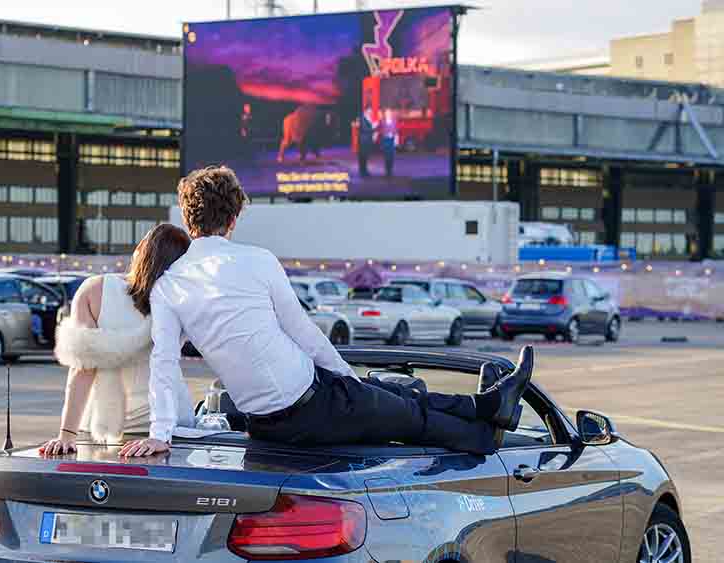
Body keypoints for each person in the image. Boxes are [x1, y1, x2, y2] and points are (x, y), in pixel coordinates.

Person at [120, 166, 533, 458]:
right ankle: (485, 436)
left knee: (398, 395)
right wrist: (349, 381)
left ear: (188, 217)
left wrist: (161, 434)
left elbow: (164, 361)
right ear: (232, 218)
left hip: (269, 420)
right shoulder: (258, 260)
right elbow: (304, 332)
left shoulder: (168, 285)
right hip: (312, 406)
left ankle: (488, 405)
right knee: (410, 415)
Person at [40, 224, 195, 456]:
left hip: (107, 428)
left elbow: (83, 370)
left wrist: (66, 435)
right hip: (171, 426)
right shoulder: (181, 300)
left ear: (140, 251)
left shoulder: (94, 290)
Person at [378, 107, 397, 177]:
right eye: (386, 113)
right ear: (385, 114)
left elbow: (396, 131)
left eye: (389, 113)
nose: (388, 114)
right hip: (385, 140)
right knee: (386, 157)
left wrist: (396, 140)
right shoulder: (382, 121)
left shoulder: (394, 121)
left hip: (392, 140)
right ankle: (387, 171)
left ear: (390, 114)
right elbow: (380, 130)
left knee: (391, 156)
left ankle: (390, 170)